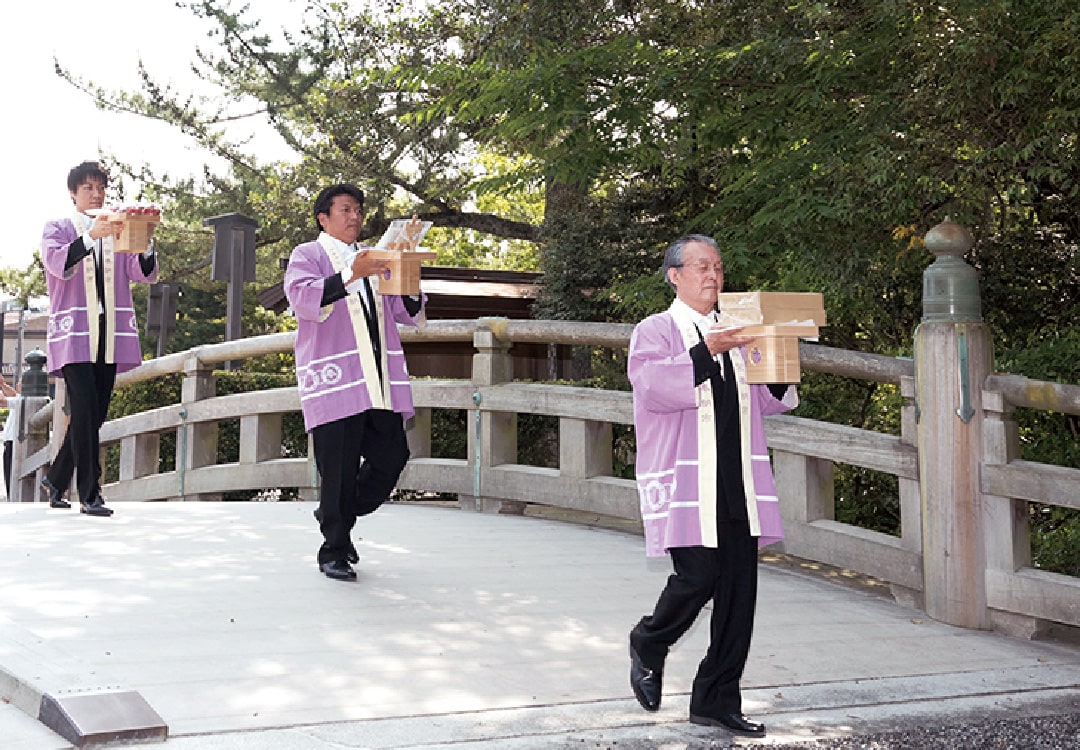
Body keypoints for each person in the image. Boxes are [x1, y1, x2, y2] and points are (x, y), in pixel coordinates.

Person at [626, 234, 797, 738]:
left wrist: (780, 358)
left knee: (738, 596)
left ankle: (716, 698)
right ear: (674, 276)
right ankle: (650, 640)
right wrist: (707, 349)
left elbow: (766, 401)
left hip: (738, 477)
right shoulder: (655, 330)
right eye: (701, 267)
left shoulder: (740, 332)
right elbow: (655, 389)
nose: (713, 276)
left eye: (718, 267)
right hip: (688, 480)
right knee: (698, 577)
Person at [283, 183, 426, 582]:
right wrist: (350, 274)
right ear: (323, 218)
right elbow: (302, 299)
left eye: (358, 210)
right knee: (339, 468)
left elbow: (405, 310)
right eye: (345, 209)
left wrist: (409, 272)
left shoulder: (376, 258)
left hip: (377, 377)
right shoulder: (308, 255)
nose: (355, 216)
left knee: (392, 456)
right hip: (335, 378)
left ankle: (337, 512)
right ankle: (333, 549)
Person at [40, 161, 158, 516]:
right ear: (73, 193)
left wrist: (146, 239)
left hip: (110, 333)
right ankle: (90, 493)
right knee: (87, 409)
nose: (96, 193)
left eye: (100, 187)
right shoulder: (57, 228)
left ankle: (56, 478)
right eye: (88, 187)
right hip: (74, 335)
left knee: (95, 414)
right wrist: (93, 235)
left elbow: (142, 273)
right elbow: (58, 263)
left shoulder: (120, 229)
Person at [1, 378, 22, 499]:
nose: (18, 384)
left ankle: (12, 497)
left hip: (13, 443)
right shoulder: (19, 398)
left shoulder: (19, 400)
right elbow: (12, 393)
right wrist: (2, 384)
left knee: (10, 475)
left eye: (20, 381)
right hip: (11, 442)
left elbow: (2, 401)